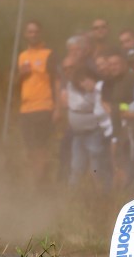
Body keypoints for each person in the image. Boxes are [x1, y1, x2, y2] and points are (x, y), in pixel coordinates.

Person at [16, 20, 59, 181]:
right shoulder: (22, 56)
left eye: (35, 31)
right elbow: (18, 84)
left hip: (43, 106)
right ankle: (36, 178)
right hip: (26, 108)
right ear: (25, 34)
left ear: (40, 33)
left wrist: (57, 108)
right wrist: (21, 74)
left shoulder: (48, 54)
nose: (33, 34)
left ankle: (40, 183)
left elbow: (57, 81)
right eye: (30, 31)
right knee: (29, 148)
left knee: (40, 147)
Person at [64, 66, 111, 187]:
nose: (82, 84)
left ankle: (101, 191)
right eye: (79, 82)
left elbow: (102, 110)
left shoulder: (100, 89)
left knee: (96, 166)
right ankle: (73, 192)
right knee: (76, 165)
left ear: (91, 77)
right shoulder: (72, 87)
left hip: (94, 132)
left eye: (84, 80)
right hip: (78, 133)